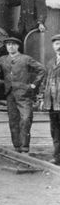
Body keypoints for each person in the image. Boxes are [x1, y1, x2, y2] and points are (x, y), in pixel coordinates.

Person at [0, 36, 45, 153]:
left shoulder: (26, 59)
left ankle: (25, 147)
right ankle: (17, 147)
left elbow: (42, 70)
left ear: (18, 46)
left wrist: (34, 85)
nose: (10, 46)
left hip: (24, 94)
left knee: (25, 119)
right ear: (6, 47)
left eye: (13, 44)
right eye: (8, 44)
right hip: (10, 94)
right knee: (13, 120)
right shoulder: (4, 59)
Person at [41, 34, 60, 164]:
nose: (59, 47)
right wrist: (42, 98)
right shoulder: (50, 62)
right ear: (53, 46)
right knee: (55, 131)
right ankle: (57, 157)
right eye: (56, 44)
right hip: (53, 103)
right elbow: (44, 82)